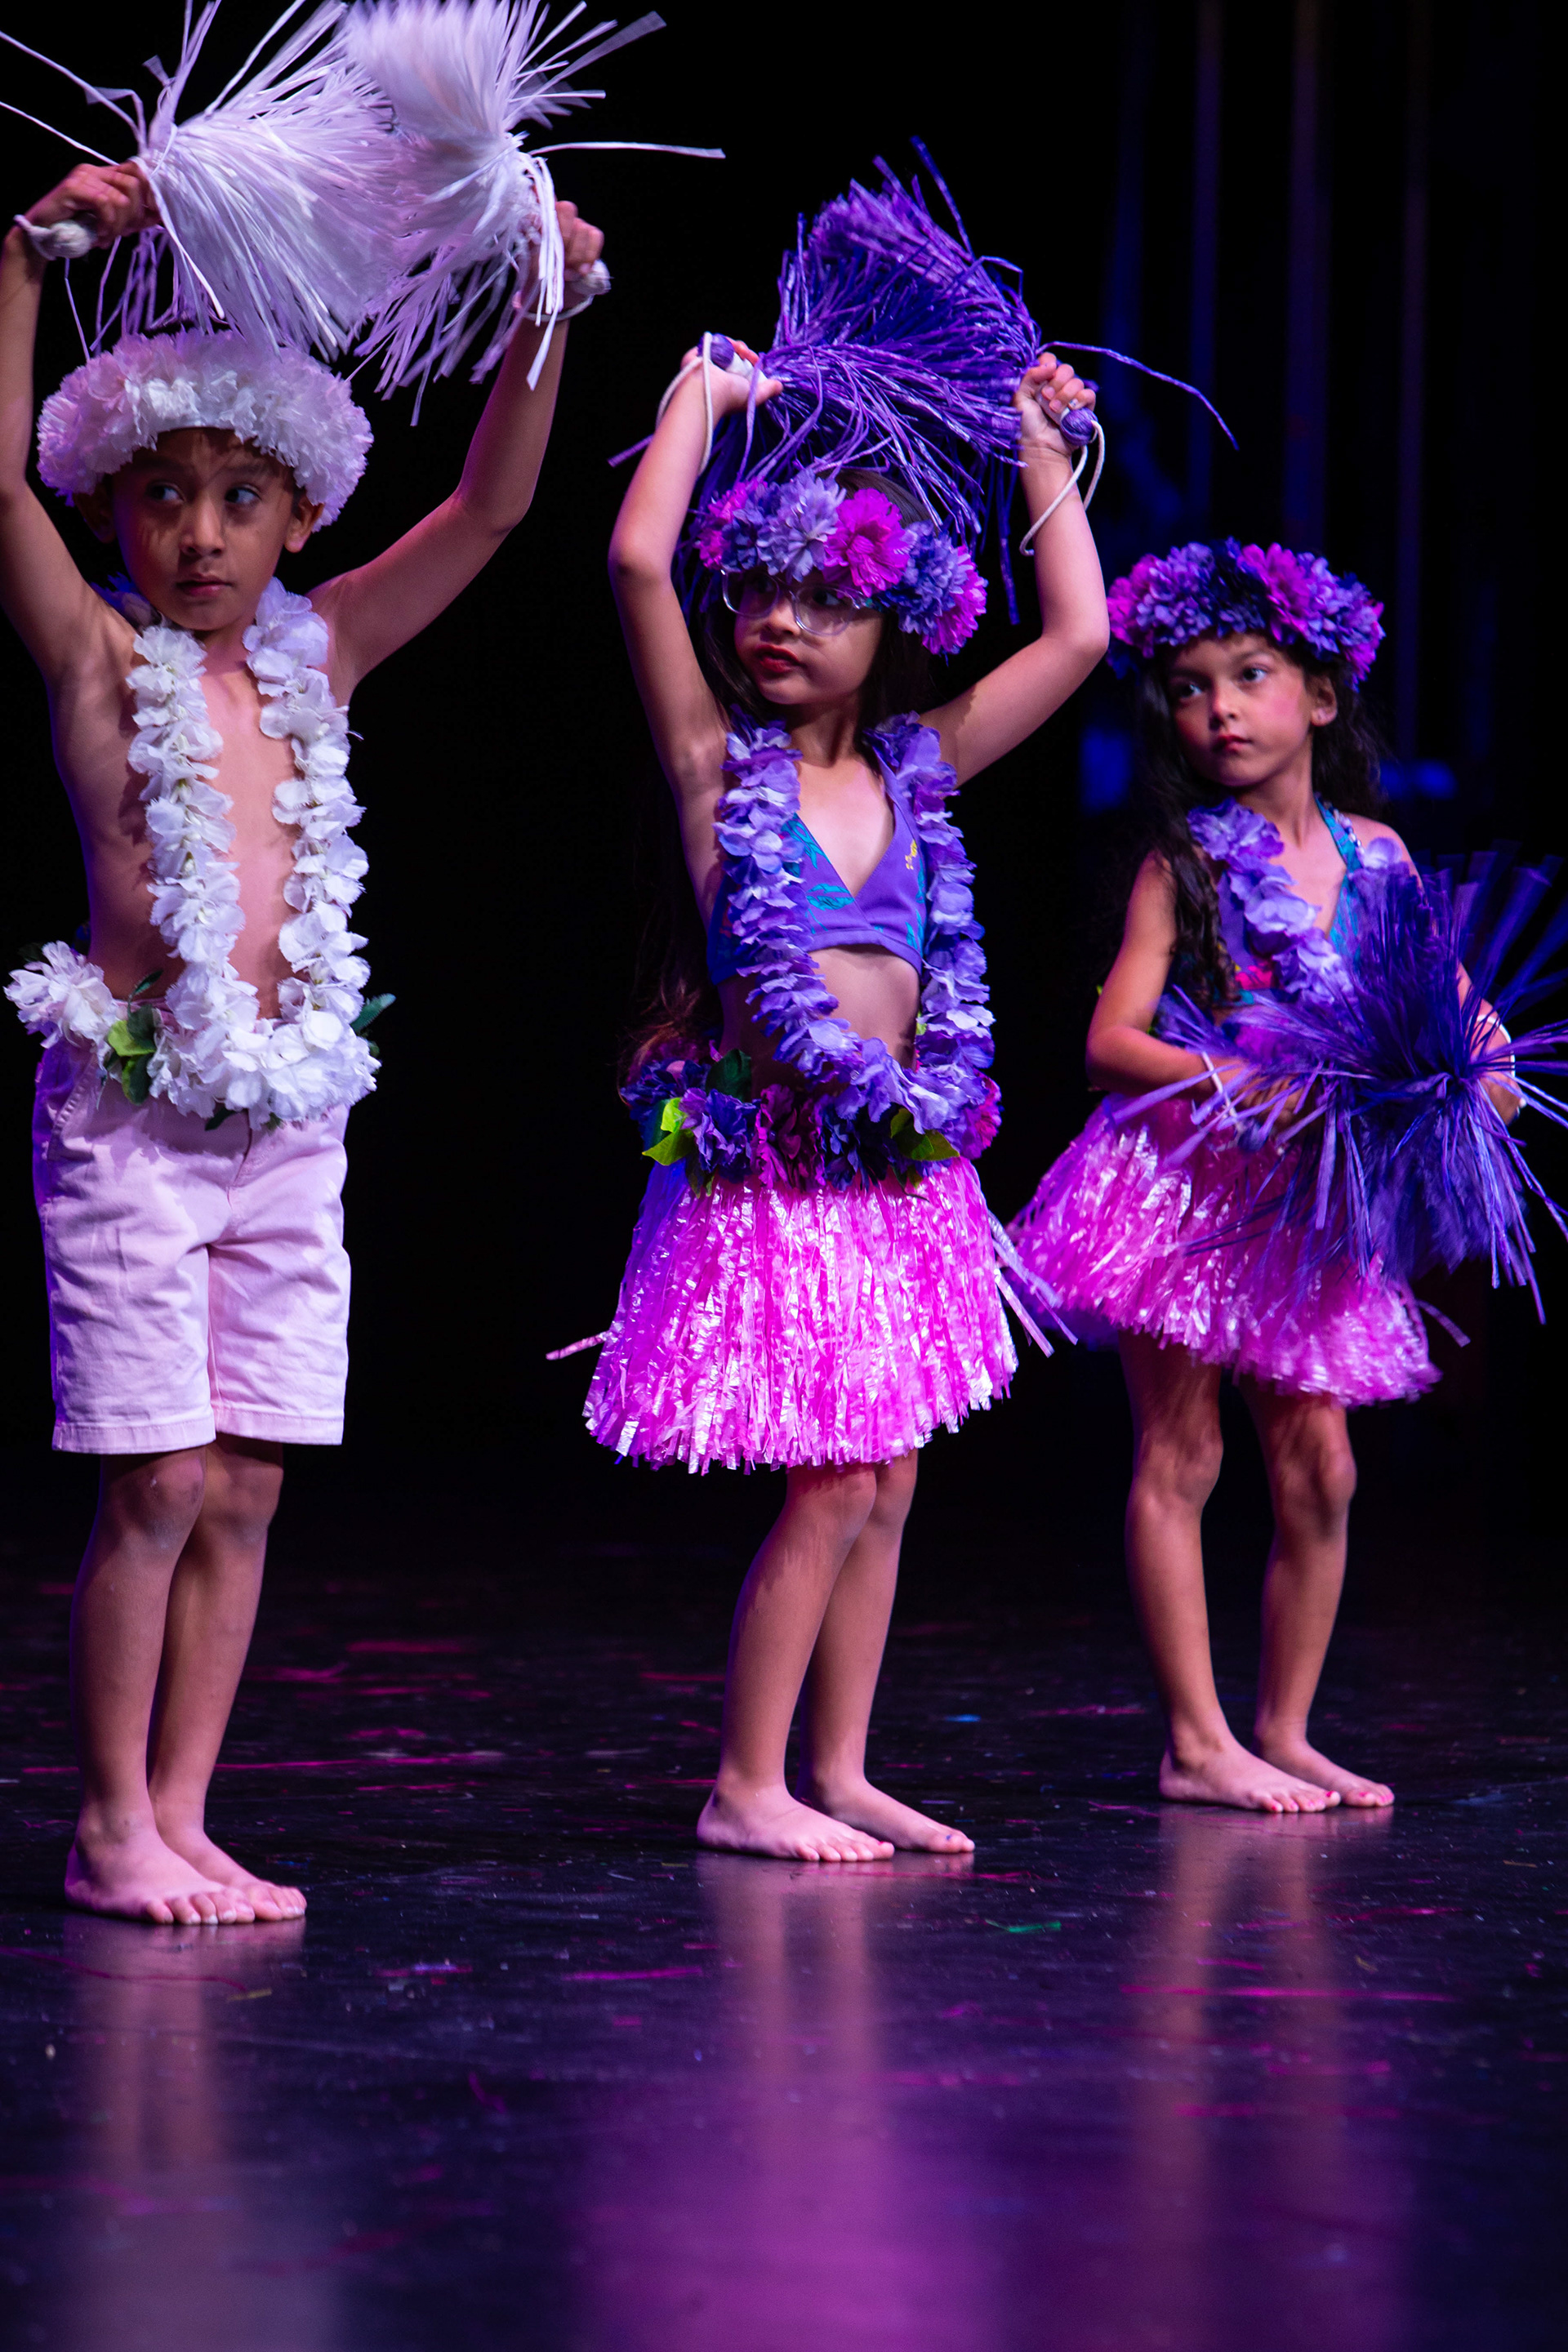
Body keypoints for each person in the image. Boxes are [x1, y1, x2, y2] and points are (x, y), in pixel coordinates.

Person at [1, 158, 604, 1923]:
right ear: (115, 509)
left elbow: (491, 508)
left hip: (290, 1121)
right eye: (165, 496)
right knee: (159, 1481)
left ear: (299, 518)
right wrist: (23, 268)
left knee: (249, 1485)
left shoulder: (320, 654)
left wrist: (543, 308)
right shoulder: (96, 658)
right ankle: (111, 1821)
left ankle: (185, 1814)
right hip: (134, 1113)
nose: (199, 533)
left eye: (239, 498)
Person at [587, 168, 1109, 1862]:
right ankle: (746, 1784)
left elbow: (1081, 634)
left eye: (821, 598)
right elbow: (638, 557)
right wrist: (702, 397)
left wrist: (1039, 447)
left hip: (903, 1175)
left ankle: (843, 1764)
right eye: (761, 595)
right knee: (833, 1478)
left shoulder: (916, 767)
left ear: (892, 625)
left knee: (889, 1480)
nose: (777, 623)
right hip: (778, 1171)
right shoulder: (713, 770)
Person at [1009, 538, 1458, 1815]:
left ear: (1319, 695)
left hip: (1312, 1203)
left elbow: (1442, 999)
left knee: (1324, 1471)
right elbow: (1110, 1043)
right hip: (1183, 1195)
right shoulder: (1186, 865)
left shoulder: (1379, 858)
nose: (1219, 709)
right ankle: (1198, 1743)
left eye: (1249, 675)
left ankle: (1287, 1728)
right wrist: (1228, 1075)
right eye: (1191, 689)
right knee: (1184, 1452)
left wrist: (1477, 1062)